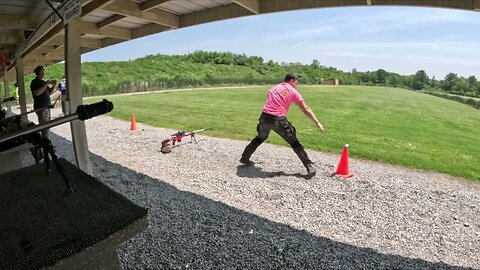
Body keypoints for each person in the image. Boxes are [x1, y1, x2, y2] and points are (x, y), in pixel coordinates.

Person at [240, 73, 324, 176]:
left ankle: (245, 157)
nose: (296, 85)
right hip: (278, 120)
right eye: (296, 83)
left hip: (264, 118)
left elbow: (270, 101)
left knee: (260, 137)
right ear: (291, 81)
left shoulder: (273, 88)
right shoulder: (293, 91)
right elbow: (305, 109)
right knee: (294, 143)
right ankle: (309, 166)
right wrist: (317, 122)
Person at [30, 66, 57, 139]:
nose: (43, 73)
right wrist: (46, 83)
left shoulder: (42, 82)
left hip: (46, 108)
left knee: (47, 126)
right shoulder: (35, 82)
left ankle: (46, 142)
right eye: (42, 71)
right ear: (38, 72)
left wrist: (54, 85)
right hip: (41, 108)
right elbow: (37, 93)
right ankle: (45, 144)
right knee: (45, 127)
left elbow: (49, 93)